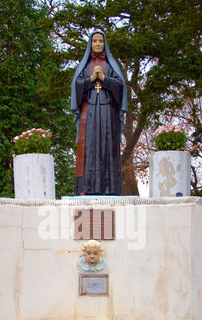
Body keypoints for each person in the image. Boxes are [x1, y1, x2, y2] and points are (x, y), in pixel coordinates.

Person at [71, 30, 127, 196]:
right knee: (89, 147)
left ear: (104, 44)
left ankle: (109, 188)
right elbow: (77, 86)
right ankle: (86, 188)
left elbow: (120, 87)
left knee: (107, 146)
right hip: (88, 114)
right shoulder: (84, 66)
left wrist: (103, 78)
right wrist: (90, 79)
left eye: (100, 41)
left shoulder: (111, 67)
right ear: (90, 44)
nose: (97, 44)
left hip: (108, 112)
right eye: (94, 41)